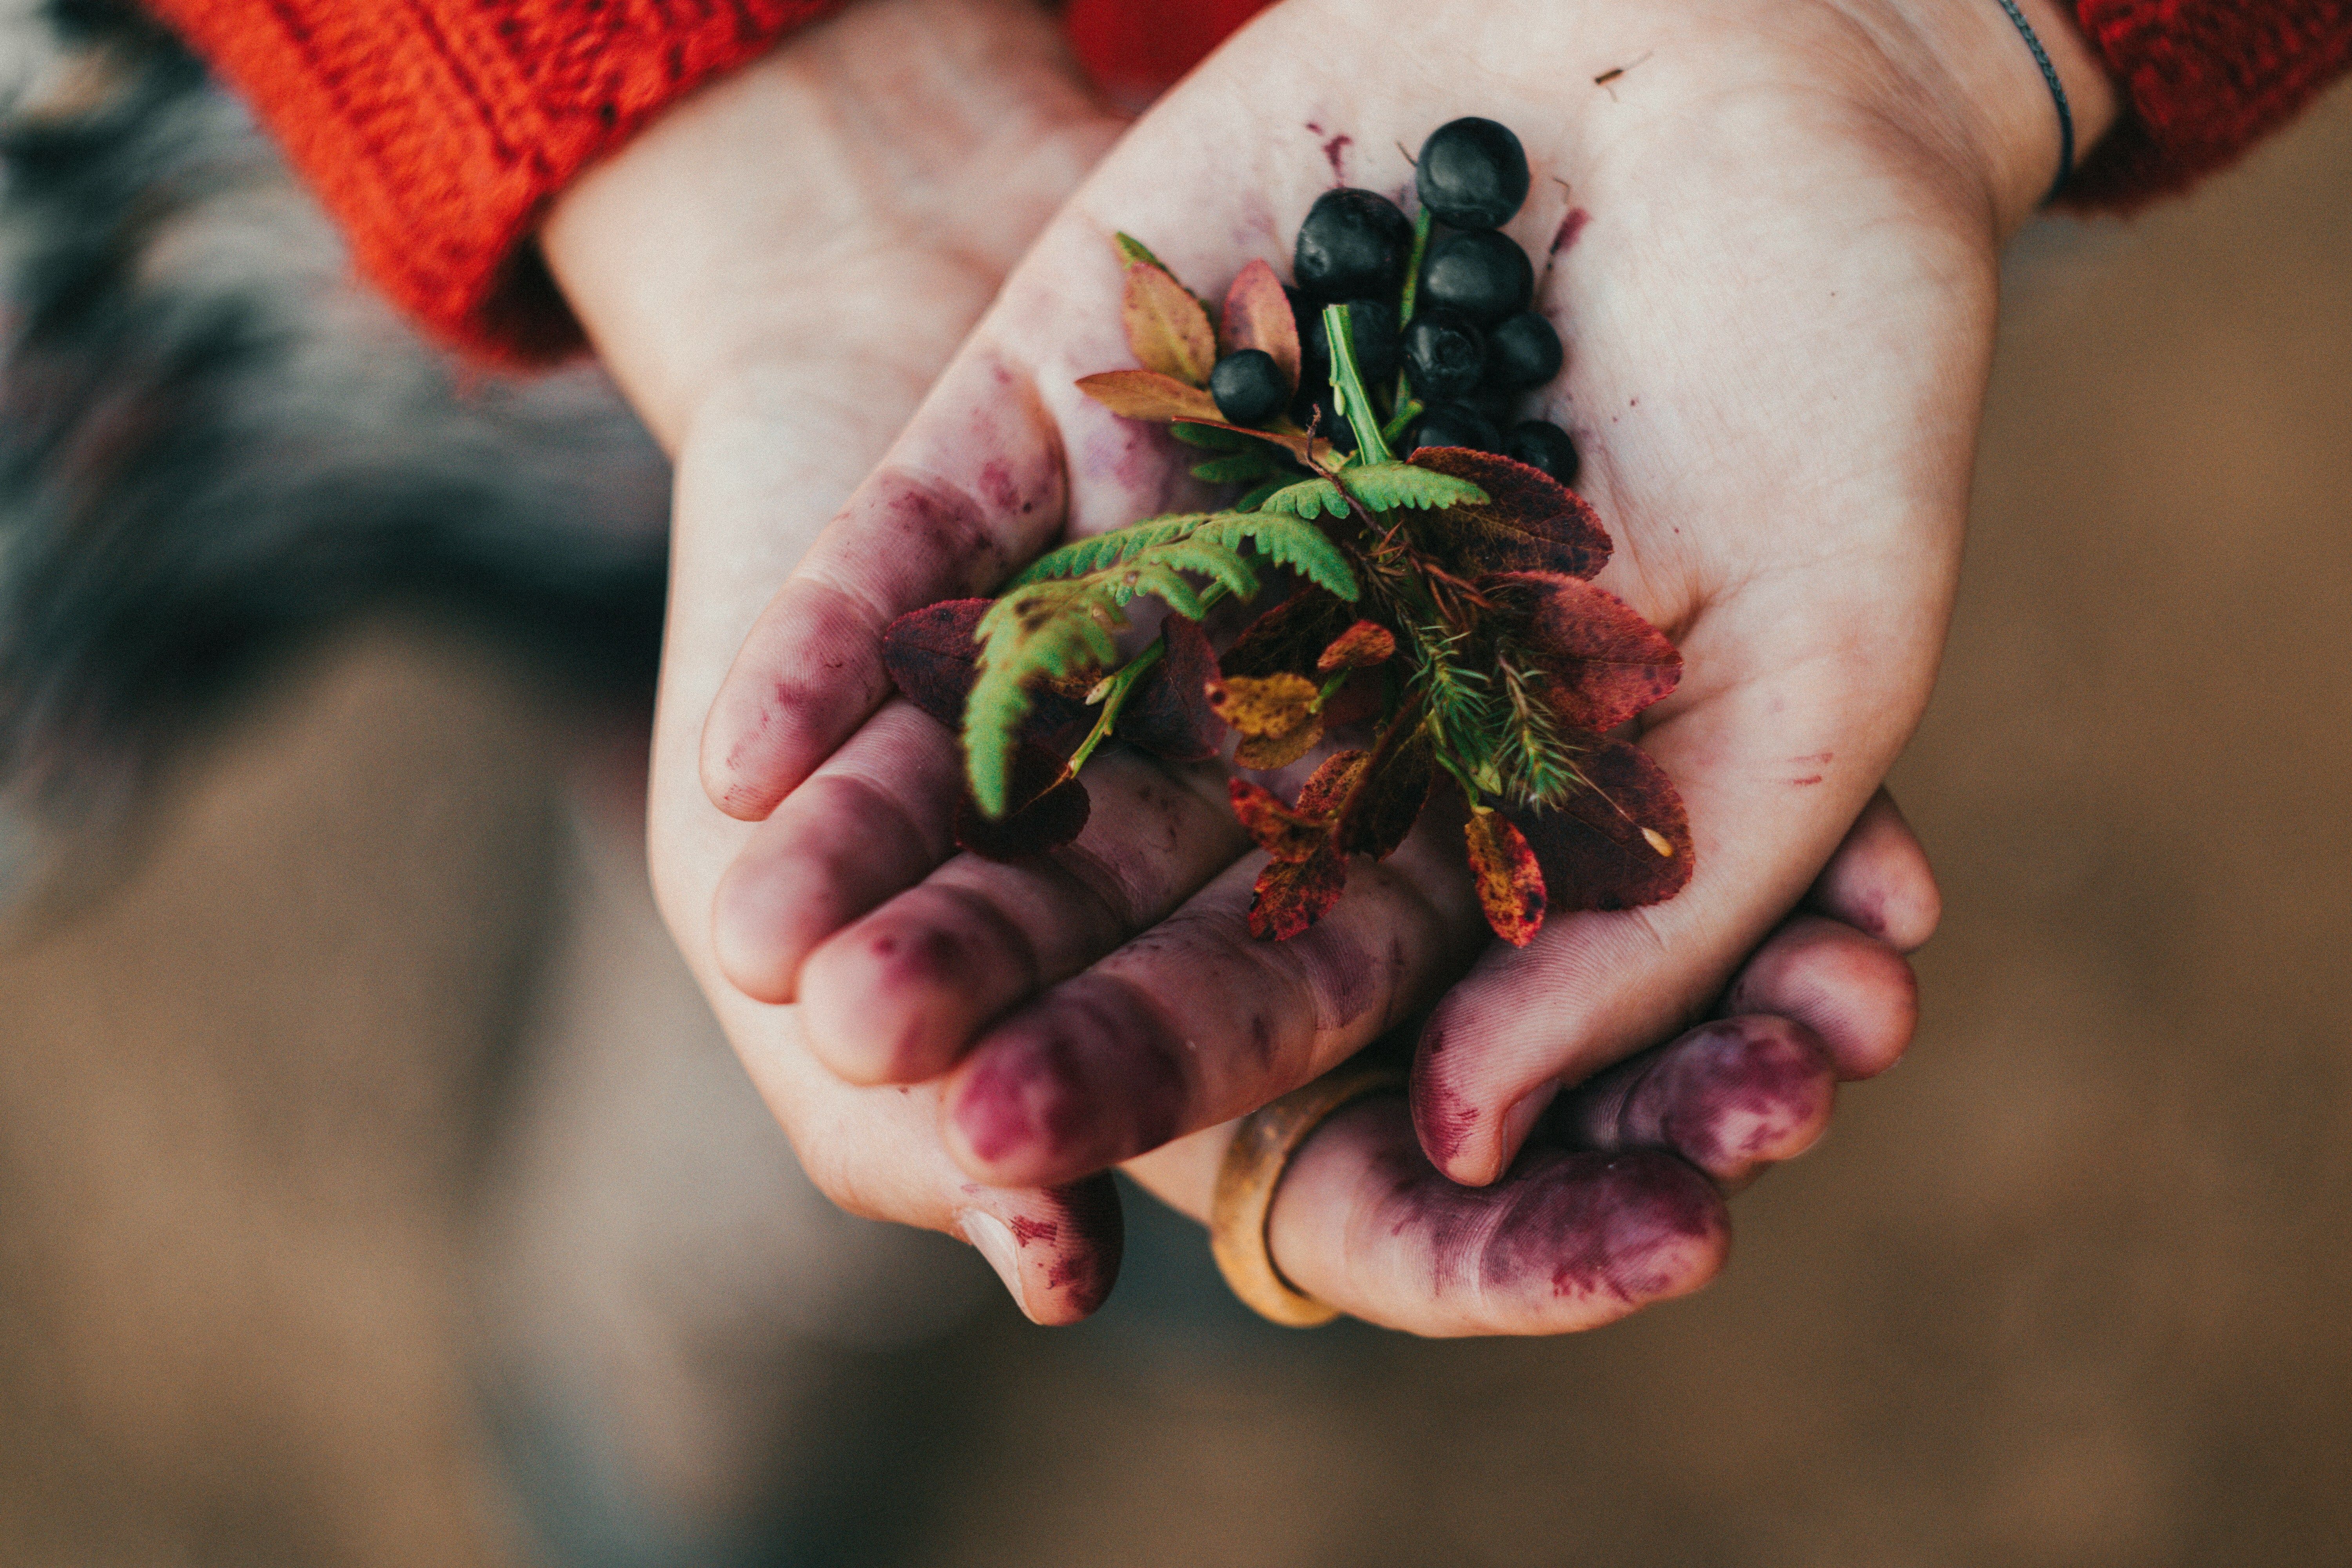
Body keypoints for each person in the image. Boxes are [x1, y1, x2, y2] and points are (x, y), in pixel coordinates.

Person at [136, 0, 2351, 1333]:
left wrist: (1927, 31)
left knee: (1008, 853)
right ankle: (714, 1212)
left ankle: (814, 1220)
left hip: (1696, 100)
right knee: (771, 721)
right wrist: (743, 140)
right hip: (419, 101)